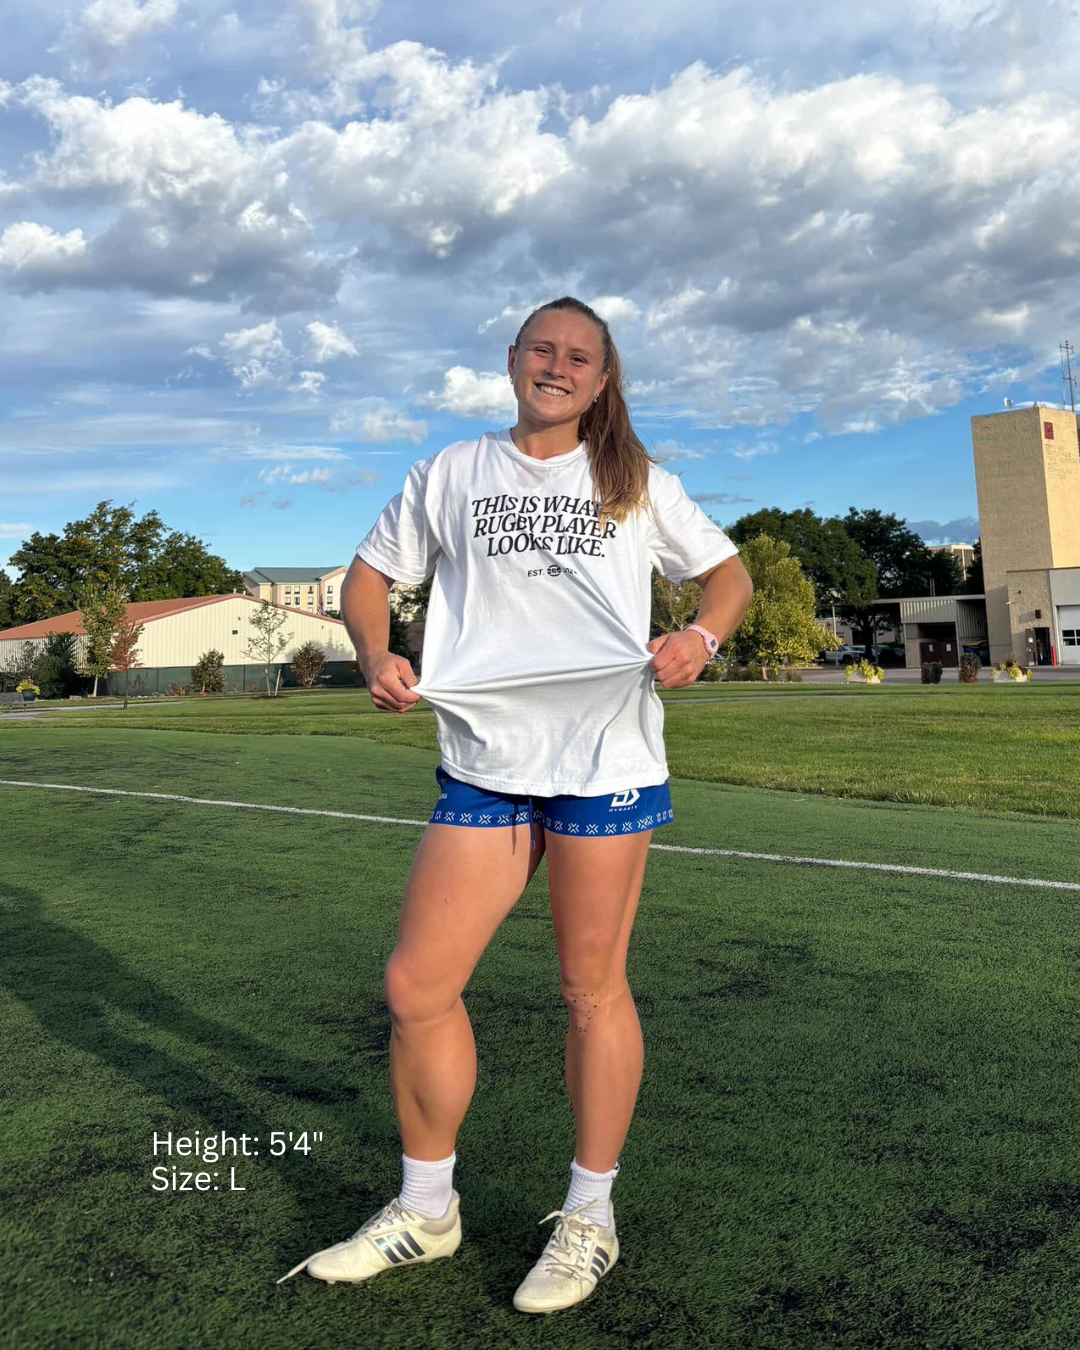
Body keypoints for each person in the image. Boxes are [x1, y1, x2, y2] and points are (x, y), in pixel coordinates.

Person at [278, 296, 753, 1313]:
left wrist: (701, 639)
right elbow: (367, 580)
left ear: (602, 378)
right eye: (544, 348)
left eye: (580, 356)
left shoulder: (636, 481)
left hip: (603, 756)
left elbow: (729, 579)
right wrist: (375, 647)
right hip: (486, 759)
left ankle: (589, 1218)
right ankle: (427, 1210)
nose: (558, 365)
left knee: (591, 990)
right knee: (416, 986)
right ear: (511, 361)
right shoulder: (450, 471)